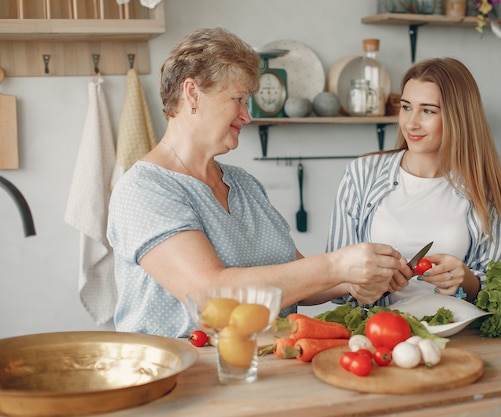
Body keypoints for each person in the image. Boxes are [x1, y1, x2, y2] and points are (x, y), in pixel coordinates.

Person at [107, 28, 404, 338]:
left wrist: (355, 279)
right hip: (185, 375)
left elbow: (294, 279)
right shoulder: (144, 190)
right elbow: (209, 296)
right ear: (192, 93)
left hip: (269, 366)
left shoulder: (244, 184)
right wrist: (336, 265)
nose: (246, 116)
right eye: (238, 99)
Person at [326, 57, 501, 305]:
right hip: (379, 335)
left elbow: (495, 293)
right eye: (406, 107)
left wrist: (468, 282)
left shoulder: (483, 189)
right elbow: (335, 285)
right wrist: (362, 286)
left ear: (458, 118)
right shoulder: (362, 174)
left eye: (428, 110)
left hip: (457, 336)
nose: (411, 123)